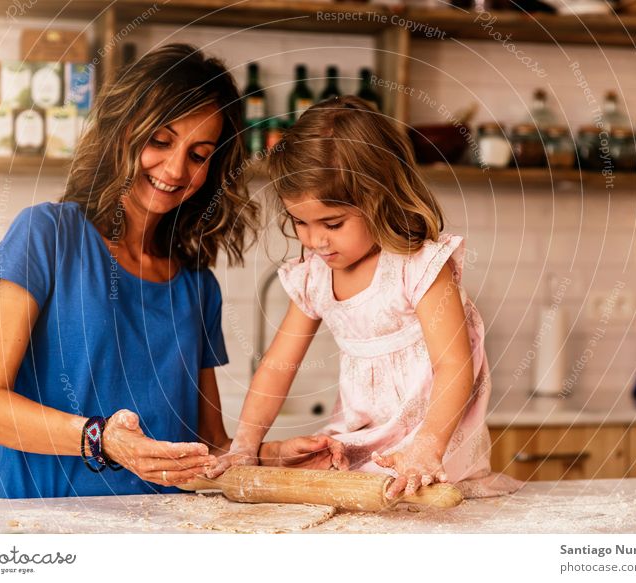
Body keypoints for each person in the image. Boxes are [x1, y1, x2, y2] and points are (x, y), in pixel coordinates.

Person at [0, 44, 346, 500]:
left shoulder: (196, 286)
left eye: (199, 154)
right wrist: (102, 438)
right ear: (122, 132)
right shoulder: (47, 236)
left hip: (152, 535)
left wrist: (271, 454)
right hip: (30, 530)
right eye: (160, 141)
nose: (175, 169)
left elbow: (207, 446)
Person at [210, 96, 522, 499]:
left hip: (434, 446)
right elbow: (277, 365)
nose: (314, 239)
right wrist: (245, 446)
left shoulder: (418, 266)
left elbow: (453, 364)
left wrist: (428, 445)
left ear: (379, 197)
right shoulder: (314, 276)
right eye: (299, 222)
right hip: (364, 444)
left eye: (332, 223)